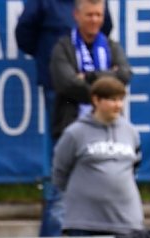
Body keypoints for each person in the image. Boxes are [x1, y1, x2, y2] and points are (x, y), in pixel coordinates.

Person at [15, 0, 114, 237]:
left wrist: (90, 76)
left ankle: (86, 229)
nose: (93, 20)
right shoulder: (44, 6)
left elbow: (105, 29)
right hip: (58, 91)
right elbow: (24, 34)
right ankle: (52, 235)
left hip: (95, 93)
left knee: (95, 156)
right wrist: (51, 61)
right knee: (61, 156)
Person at [53, 77, 143, 237]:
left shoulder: (131, 132)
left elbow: (134, 167)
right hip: (84, 223)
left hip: (126, 222)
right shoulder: (75, 133)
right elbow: (60, 173)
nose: (118, 105)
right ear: (96, 100)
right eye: (112, 100)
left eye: (121, 100)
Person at [49, 0, 131, 141]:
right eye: (89, 15)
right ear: (76, 15)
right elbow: (67, 84)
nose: (94, 20)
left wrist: (89, 77)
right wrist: (108, 85)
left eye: (98, 15)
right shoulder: (63, 48)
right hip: (71, 126)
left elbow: (124, 75)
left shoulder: (112, 46)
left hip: (110, 129)